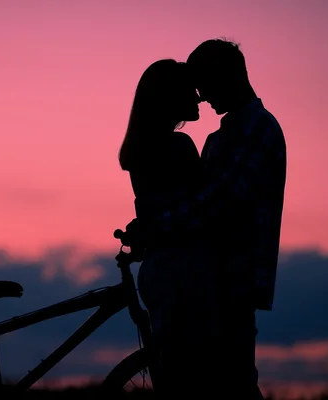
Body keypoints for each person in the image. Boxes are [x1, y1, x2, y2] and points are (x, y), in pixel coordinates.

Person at [128, 39, 287, 399]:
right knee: (218, 385)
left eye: (205, 83)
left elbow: (221, 202)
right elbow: (201, 203)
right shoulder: (224, 136)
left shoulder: (255, 130)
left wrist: (157, 227)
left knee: (232, 384)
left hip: (233, 280)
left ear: (227, 77)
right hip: (212, 282)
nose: (201, 96)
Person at [118, 58, 219, 399]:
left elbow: (154, 211)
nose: (200, 97)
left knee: (172, 376)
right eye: (190, 90)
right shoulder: (179, 147)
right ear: (171, 97)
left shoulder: (140, 153)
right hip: (186, 271)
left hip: (158, 270)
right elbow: (204, 209)